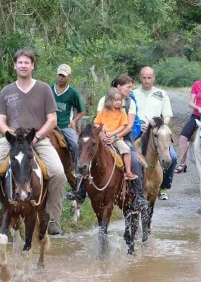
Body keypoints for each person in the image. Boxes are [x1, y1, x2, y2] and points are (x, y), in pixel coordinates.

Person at [0, 50, 67, 235]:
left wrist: (35, 137)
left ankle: (52, 218)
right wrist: (10, 136)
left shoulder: (44, 89)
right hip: (12, 141)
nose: (23, 66)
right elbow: (0, 121)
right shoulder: (7, 91)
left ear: (32, 66)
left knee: (59, 174)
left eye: (26, 63)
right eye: (20, 62)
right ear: (15, 65)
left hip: (38, 139)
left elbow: (52, 120)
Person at [69, 74, 147, 209]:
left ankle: (137, 194)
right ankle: (80, 189)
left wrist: (115, 137)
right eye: (128, 87)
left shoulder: (130, 103)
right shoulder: (103, 101)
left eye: (131, 87)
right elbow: (98, 123)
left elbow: (128, 126)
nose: (130, 90)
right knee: (87, 154)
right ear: (119, 87)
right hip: (103, 136)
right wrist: (104, 136)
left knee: (135, 160)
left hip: (123, 136)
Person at [133, 66, 176, 200]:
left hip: (156, 132)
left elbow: (168, 116)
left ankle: (163, 186)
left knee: (172, 157)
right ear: (140, 78)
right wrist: (138, 125)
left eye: (149, 78)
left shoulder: (162, 94)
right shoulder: (133, 93)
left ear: (154, 78)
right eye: (144, 78)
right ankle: (133, 187)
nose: (146, 80)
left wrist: (157, 126)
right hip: (137, 131)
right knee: (131, 156)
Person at [93, 88, 138, 181]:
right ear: (109, 101)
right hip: (103, 137)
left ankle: (128, 171)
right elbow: (95, 123)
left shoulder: (121, 113)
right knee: (91, 149)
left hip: (116, 138)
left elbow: (123, 126)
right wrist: (101, 127)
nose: (118, 102)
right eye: (116, 100)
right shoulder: (103, 112)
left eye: (119, 100)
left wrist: (113, 134)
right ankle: (87, 172)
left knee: (126, 150)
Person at [51, 63, 85, 164]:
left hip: (65, 125)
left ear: (69, 77)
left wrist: (74, 121)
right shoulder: (49, 89)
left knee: (76, 144)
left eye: (64, 76)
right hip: (49, 124)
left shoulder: (72, 92)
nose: (61, 78)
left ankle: (78, 169)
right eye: (59, 75)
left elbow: (82, 111)